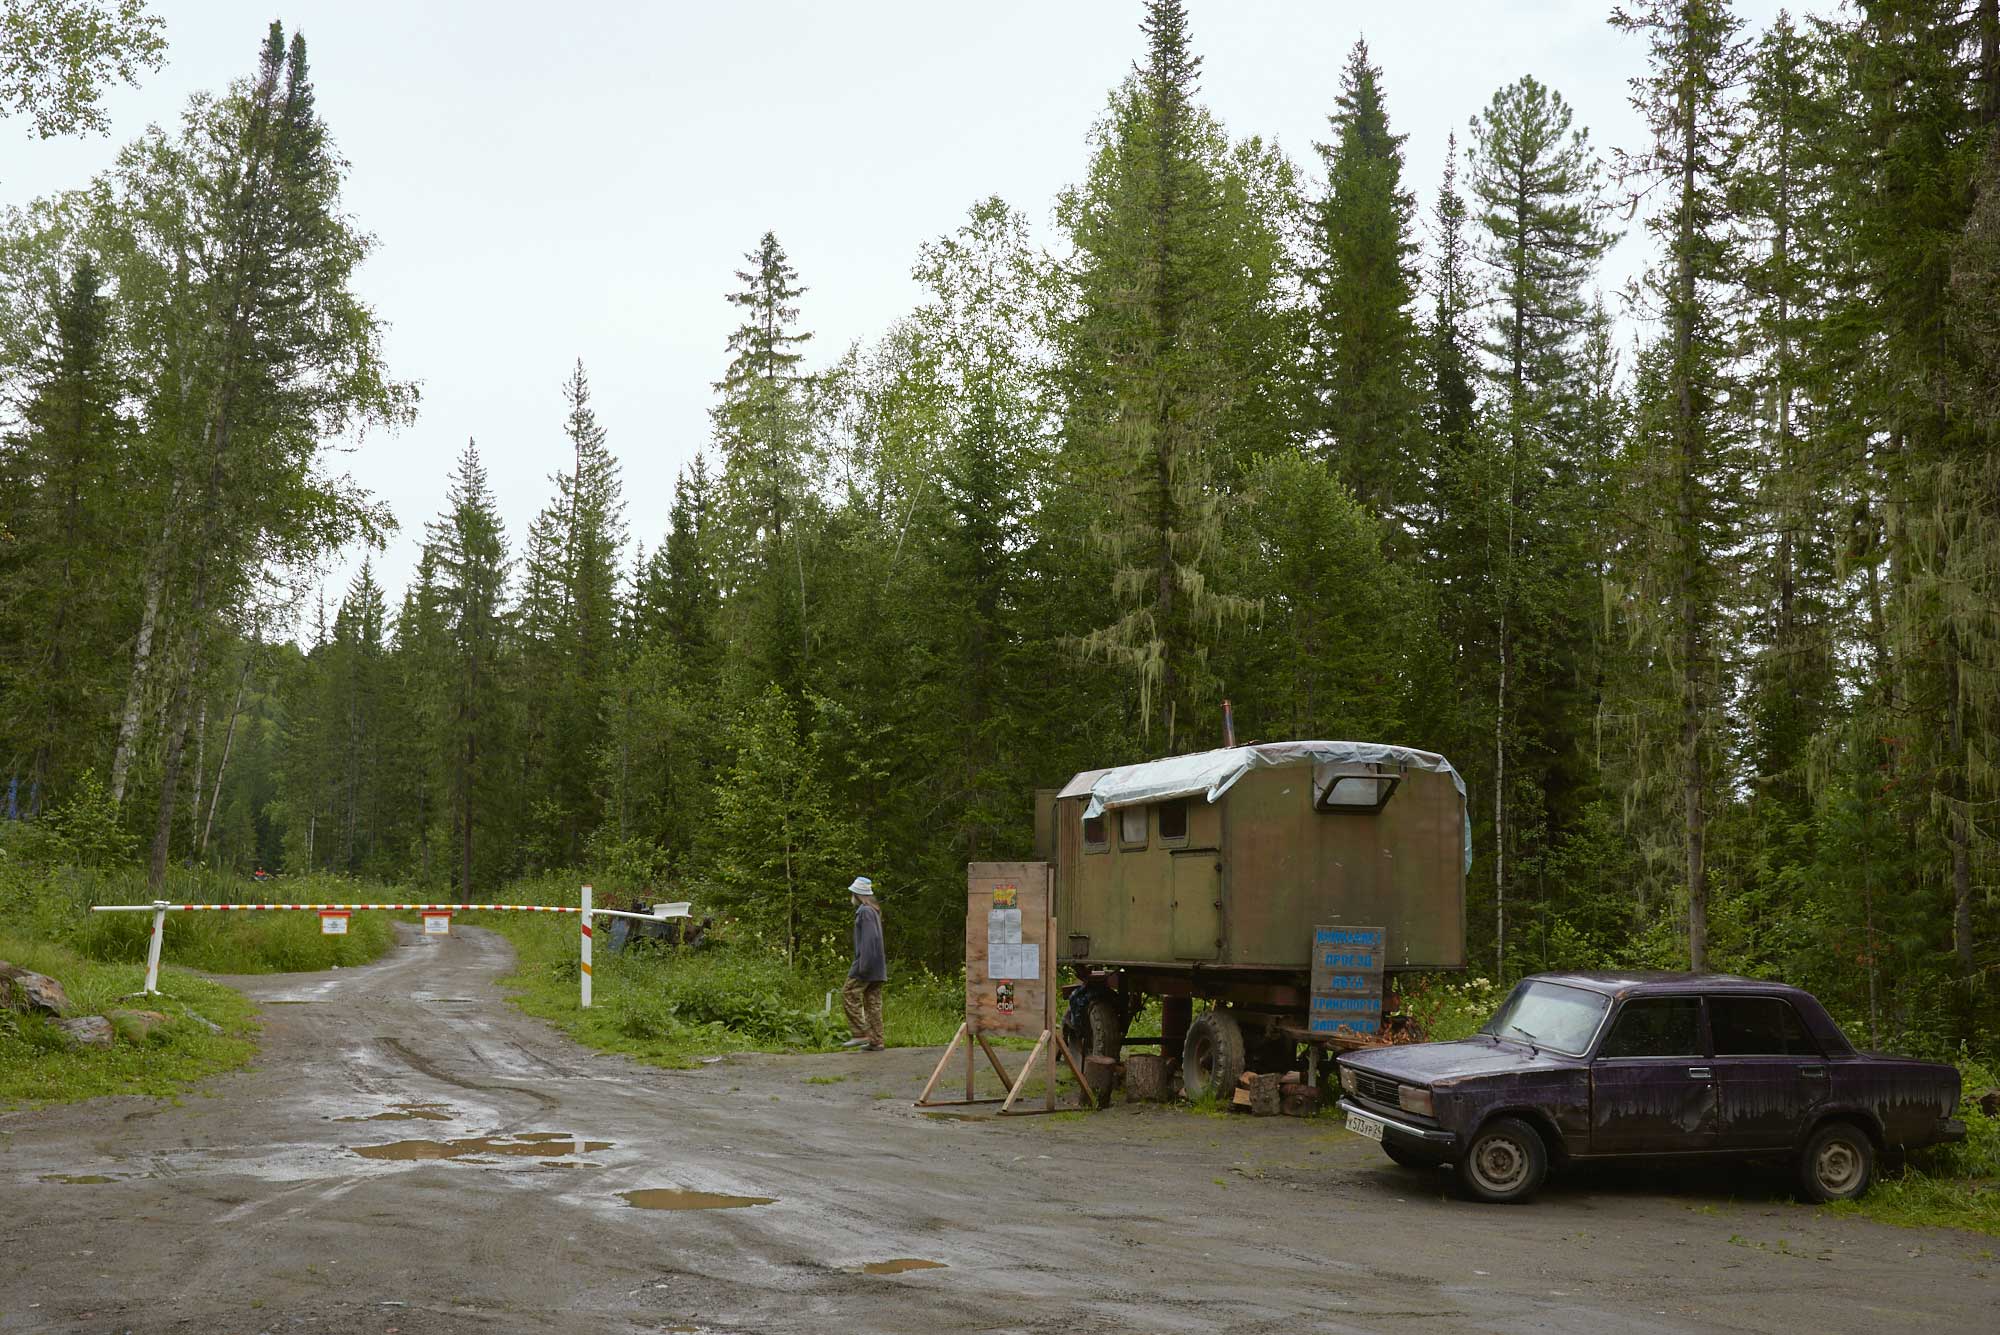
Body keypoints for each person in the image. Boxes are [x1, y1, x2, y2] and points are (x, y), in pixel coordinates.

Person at [840, 876, 886, 1051]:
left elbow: (869, 939)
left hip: (866, 964)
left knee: (848, 993)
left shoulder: (865, 911)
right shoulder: (873, 910)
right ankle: (876, 1040)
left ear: (857, 894)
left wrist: (862, 967)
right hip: (877, 965)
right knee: (872, 1002)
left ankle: (860, 1033)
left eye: (852, 893)